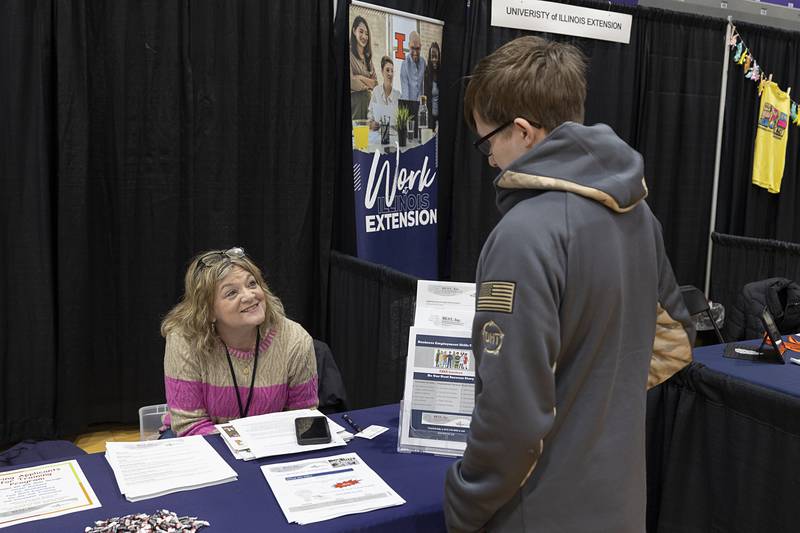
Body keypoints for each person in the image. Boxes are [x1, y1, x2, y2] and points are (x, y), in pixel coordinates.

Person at [443, 36, 695, 532]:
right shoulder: (639, 214)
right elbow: (676, 339)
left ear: (522, 131)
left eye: (488, 142)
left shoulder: (522, 236)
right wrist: (595, 399)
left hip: (539, 511)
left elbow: (512, 417)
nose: (489, 159)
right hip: (621, 503)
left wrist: (463, 502)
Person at [160, 247, 318, 437]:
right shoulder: (184, 339)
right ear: (208, 311)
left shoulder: (295, 340)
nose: (250, 296)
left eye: (252, 284)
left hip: (269, 440)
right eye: (231, 293)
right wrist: (241, 447)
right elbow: (190, 425)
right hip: (202, 438)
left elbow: (304, 418)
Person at [350, 16, 377, 120]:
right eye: (361, 31)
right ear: (354, 31)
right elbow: (351, 81)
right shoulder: (349, 54)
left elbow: (375, 84)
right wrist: (367, 85)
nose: (364, 36)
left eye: (367, 34)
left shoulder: (368, 58)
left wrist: (359, 77)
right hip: (355, 107)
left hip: (368, 107)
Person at [367, 56, 401, 134]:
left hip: (393, 135)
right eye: (387, 70)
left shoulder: (398, 95)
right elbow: (370, 116)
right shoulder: (376, 91)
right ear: (382, 72)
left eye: (392, 71)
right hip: (377, 134)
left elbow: (401, 121)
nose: (390, 74)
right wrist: (372, 124)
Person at [400, 31, 425, 101]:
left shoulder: (423, 62)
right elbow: (405, 92)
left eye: (417, 48)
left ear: (420, 46)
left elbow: (422, 88)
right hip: (408, 102)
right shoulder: (404, 65)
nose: (415, 52)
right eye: (412, 48)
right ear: (408, 46)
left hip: (420, 103)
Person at [423, 42, 440, 130]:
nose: (434, 59)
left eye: (436, 57)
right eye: (432, 57)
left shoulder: (442, 73)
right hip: (430, 118)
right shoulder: (427, 73)